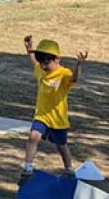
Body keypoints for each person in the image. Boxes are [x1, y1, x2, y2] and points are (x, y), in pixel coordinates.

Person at [20, 35, 87, 185]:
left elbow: (74, 80)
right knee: (33, 137)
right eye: (41, 63)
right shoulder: (41, 70)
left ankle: (69, 170)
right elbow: (34, 62)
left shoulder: (63, 74)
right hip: (42, 116)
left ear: (57, 59)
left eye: (47, 63)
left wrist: (78, 65)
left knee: (61, 146)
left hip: (58, 119)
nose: (43, 66)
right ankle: (28, 169)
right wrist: (29, 48)